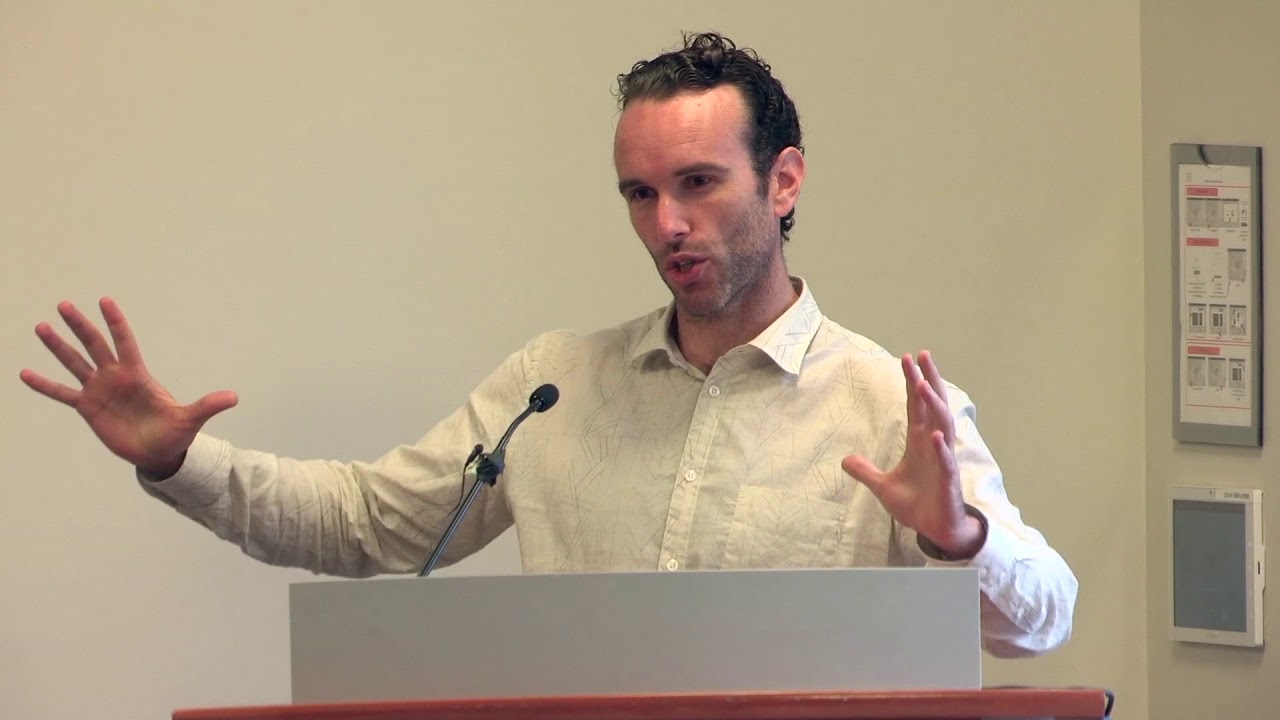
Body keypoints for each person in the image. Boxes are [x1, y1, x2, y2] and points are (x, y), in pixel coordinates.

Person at [19, 32, 1076, 658]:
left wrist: (958, 540)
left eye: (698, 185)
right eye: (639, 193)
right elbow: (364, 524)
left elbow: (1043, 620)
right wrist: (176, 459)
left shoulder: (888, 405)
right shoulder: (555, 387)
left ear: (782, 180)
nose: (666, 223)